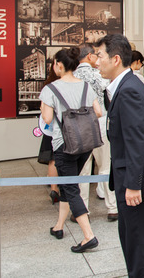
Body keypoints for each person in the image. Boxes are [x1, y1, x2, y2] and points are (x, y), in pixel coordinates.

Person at [95, 34, 144, 276]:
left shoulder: (129, 90)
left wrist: (134, 185)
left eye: (100, 56)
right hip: (131, 179)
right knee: (131, 241)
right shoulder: (125, 85)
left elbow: (137, 141)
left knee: (138, 246)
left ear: (115, 59)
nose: (97, 61)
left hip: (138, 183)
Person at [40, 47, 102, 253]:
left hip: (64, 144)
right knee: (69, 184)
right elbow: (98, 112)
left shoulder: (50, 89)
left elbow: (47, 119)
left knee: (71, 187)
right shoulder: (85, 86)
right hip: (84, 143)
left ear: (58, 65)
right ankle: (59, 225)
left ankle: (88, 235)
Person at [74, 43, 118, 222]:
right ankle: (112, 208)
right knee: (106, 165)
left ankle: (82, 210)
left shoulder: (72, 76)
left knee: (83, 170)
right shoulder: (98, 74)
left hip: (78, 125)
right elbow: (111, 94)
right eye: (97, 56)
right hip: (100, 122)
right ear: (90, 56)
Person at [37, 64, 60, 204]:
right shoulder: (69, 85)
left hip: (49, 128)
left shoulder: (48, 86)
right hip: (63, 129)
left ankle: (54, 189)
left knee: (53, 159)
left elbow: (44, 111)